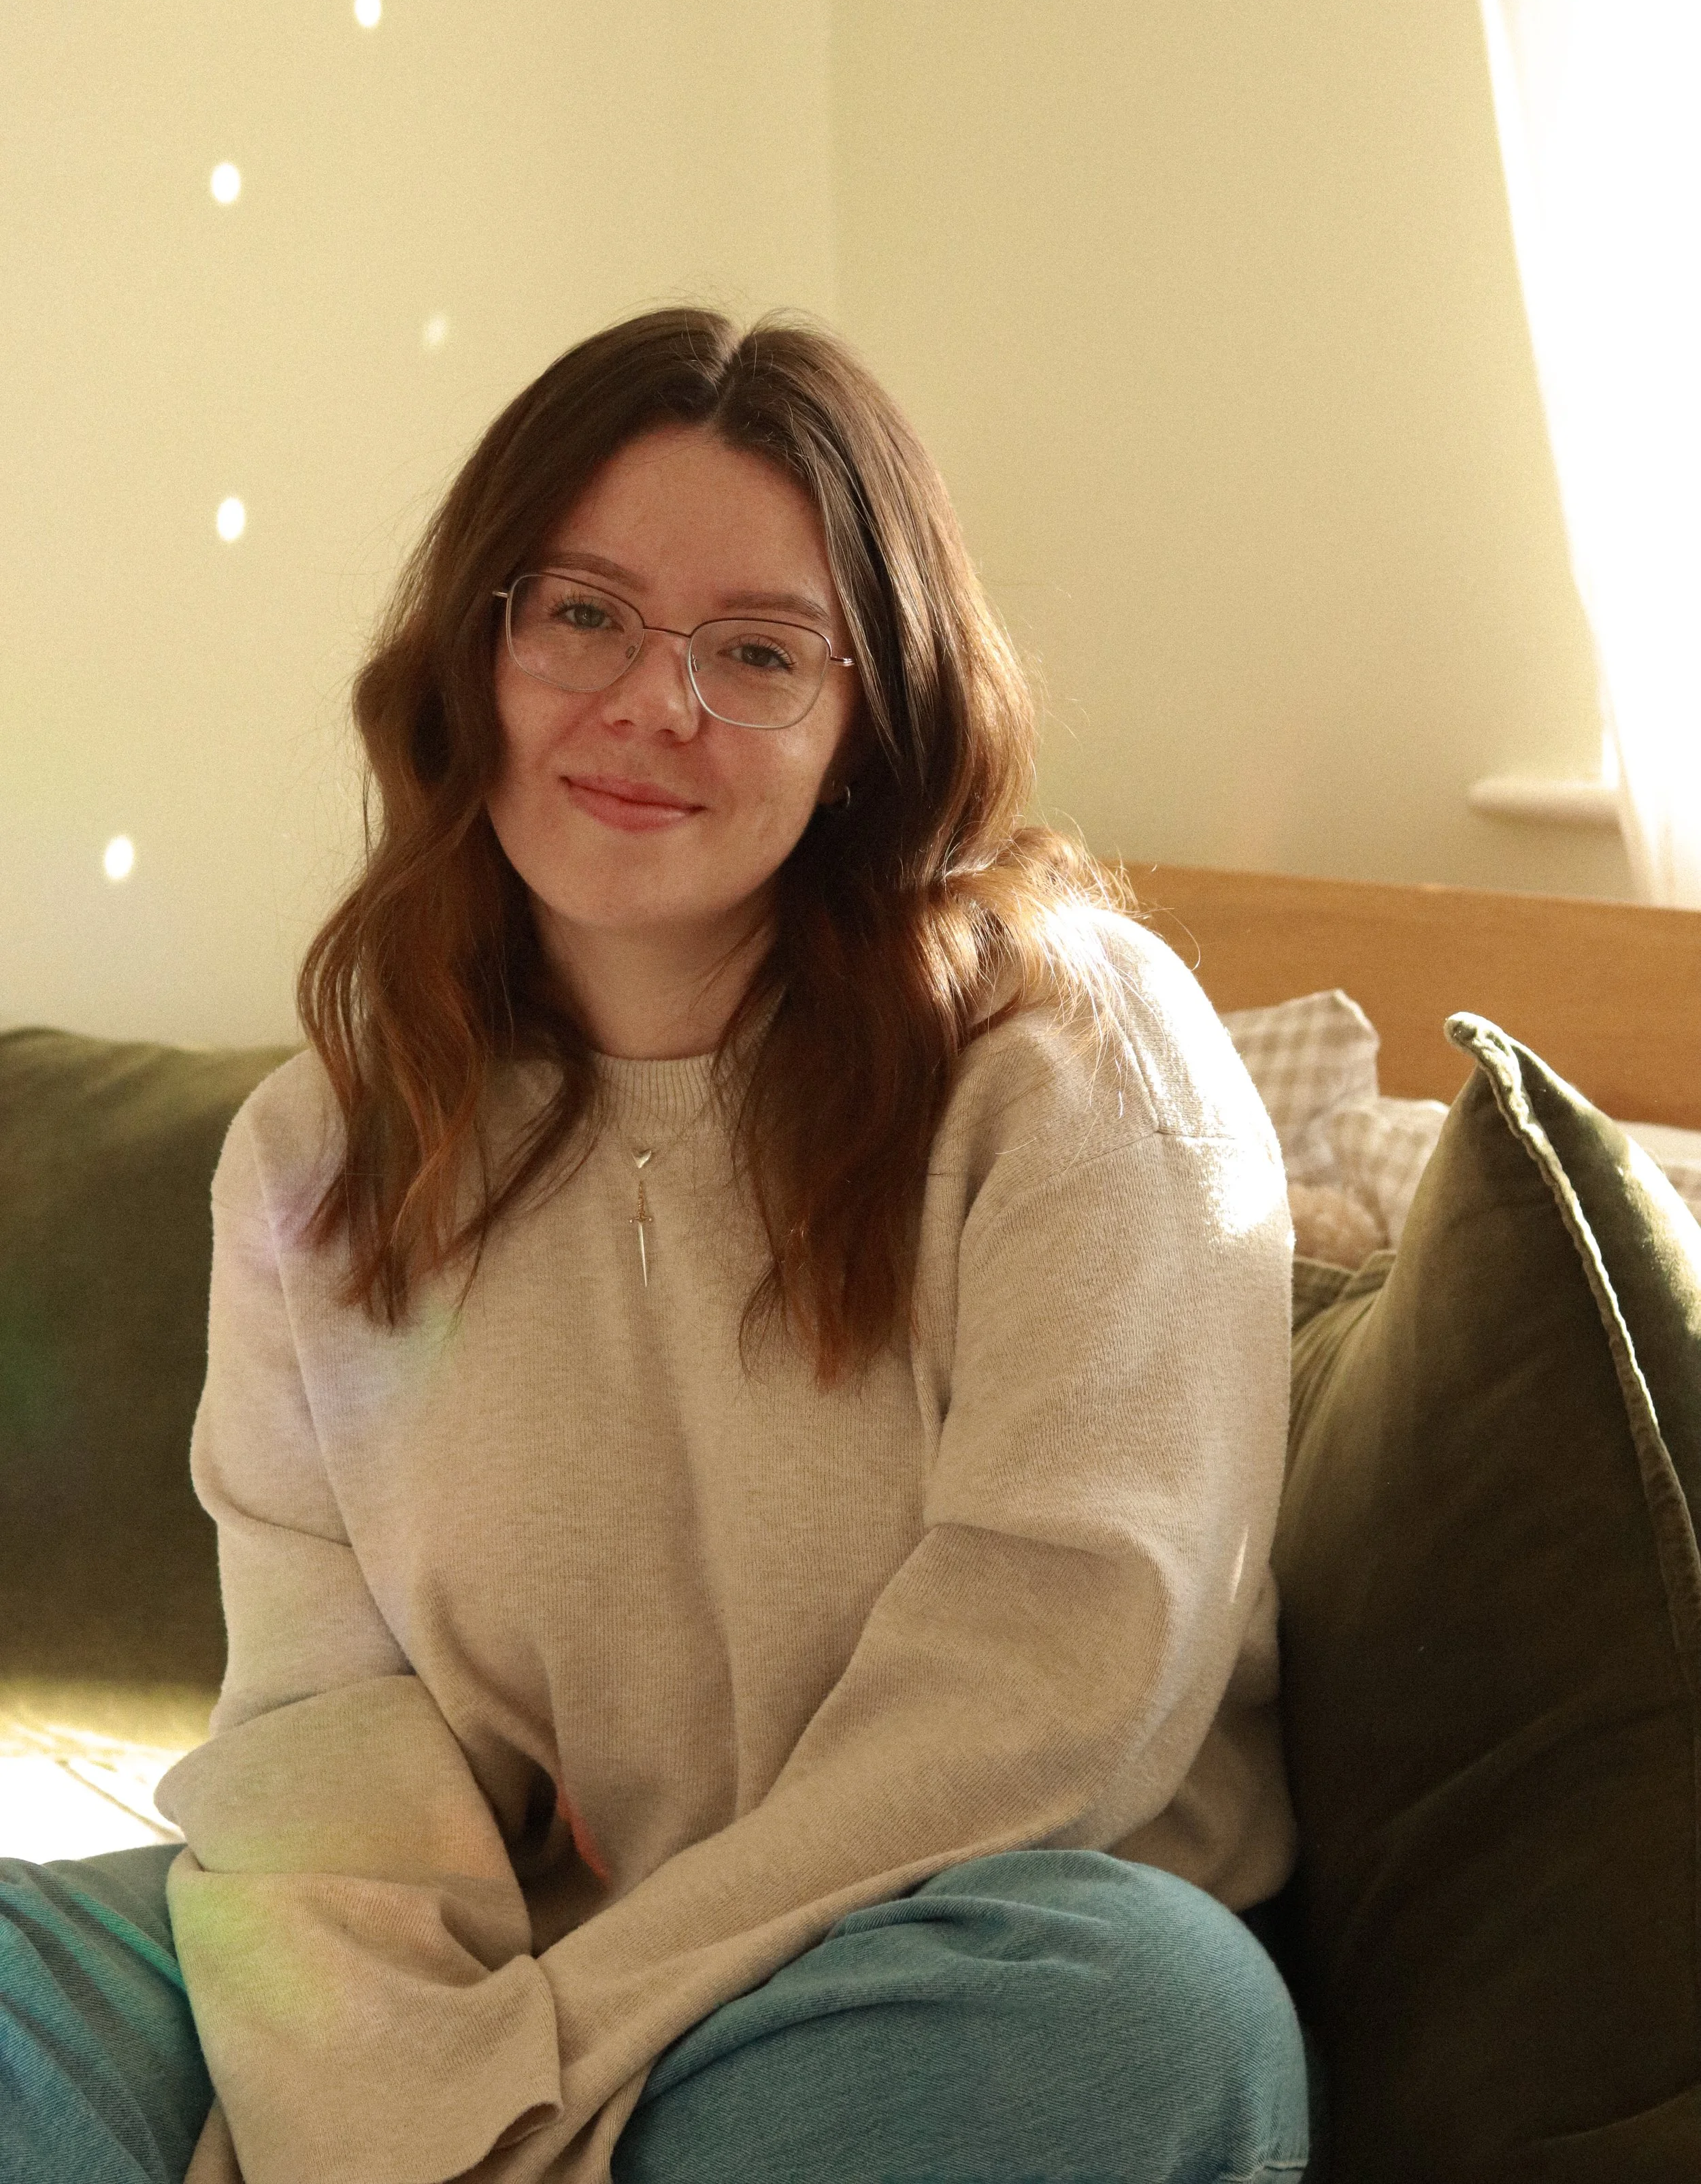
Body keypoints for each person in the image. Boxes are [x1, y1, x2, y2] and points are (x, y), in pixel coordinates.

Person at [0, 307, 1317, 2184]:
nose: (651, 704)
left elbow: (1045, 1699)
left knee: (1140, 2016)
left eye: (759, 651)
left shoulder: (1081, 1060)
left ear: (875, 713)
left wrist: (541, 2066)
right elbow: (320, 1723)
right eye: (583, 616)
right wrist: (391, 2078)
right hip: (491, 1953)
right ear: (479, 645)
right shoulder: (325, 1145)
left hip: (942, 1949)